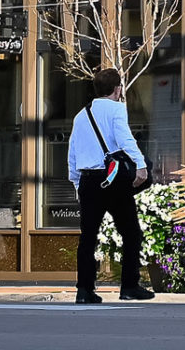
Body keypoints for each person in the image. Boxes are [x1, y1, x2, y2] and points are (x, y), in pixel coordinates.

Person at [65, 68, 153, 303]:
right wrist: (141, 164)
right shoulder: (116, 109)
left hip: (88, 179)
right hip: (113, 178)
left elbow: (72, 153)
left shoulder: (81, 115)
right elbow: (125, 140)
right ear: (117, 89)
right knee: (131, 232)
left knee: (88, 237)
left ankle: (84, 290)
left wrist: (76, 181)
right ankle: (129, 286)